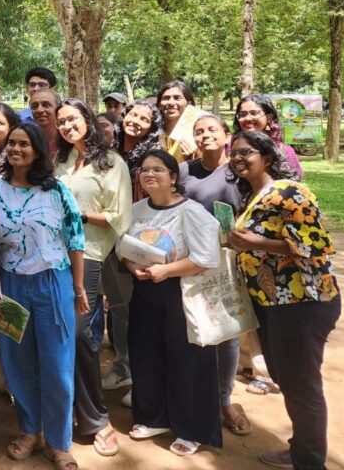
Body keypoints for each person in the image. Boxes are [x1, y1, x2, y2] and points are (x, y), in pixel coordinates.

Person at [227, 130, 340, 470]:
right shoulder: (254, 196)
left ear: (267, 157)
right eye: (234, 153)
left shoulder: (289, 191)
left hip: (302, 303)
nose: (237, 158)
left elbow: (316, 245)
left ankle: (308, 460)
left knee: (301, 384)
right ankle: (301, 449)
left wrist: (256, 244)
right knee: (286, 377)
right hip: (271, 303)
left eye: (245, 152)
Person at [0, 122, 87, 469]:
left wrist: (78, 287)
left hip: (53, 283)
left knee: (58, 367)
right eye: (12, 143)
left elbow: (75, 239)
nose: (16, 149)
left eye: (24, 144)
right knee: (17, 364)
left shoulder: (56, 190)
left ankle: (59, 441)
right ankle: (30, 429)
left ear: (37, 151)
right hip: (10, 285)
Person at [118, 149, 223, 457]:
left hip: (183, 293)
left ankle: (192, 429)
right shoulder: (136, 210)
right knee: (146, 354)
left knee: (188, 361)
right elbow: (124, 248)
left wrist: (166, 271)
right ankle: (153, 417)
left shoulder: (192, 212)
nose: (149, 174)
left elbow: (205, 258)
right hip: (145, 291)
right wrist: (132, 266)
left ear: (173, 176)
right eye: (144, 169)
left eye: (158, 169)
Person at [55, 100, 133, 456]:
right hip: (53, 256)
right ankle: (65, 411)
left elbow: (119, 216)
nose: (67, 125)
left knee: (83, 335)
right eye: (61, 121)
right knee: (59, 334)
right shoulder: (61, 161)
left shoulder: (111, 162)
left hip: (88, 255)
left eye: (72, 119)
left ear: (87, 119)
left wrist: (80, 216)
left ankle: (97, 419)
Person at [180, 114, 248, 437]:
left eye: (211, 130)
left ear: (227, 135)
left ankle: (224, 399)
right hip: (188, 261)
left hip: (227, 261)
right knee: (193, 327)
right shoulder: (184, 171)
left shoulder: (239, 172)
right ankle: (195, 395)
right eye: (199, 131)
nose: (205, 135)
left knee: (227, 332)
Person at [233, 94, 305, 180]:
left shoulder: (283, 150)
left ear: (268, 116)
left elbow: (296, 181)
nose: (248, 118)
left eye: (254, 113)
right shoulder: (229, 147)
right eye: (243, 114)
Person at [116, 100, 166, 200]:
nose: (135, 121)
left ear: (151, 128)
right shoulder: (110, 148)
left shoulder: (153, 158)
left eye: (144, 119)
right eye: (133, 115)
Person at [157, 80, 197, 161]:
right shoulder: (152, 132)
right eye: (166, 98)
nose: (171, 103)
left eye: (177, 98)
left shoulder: (197, 134)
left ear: (188, 103)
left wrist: (193, 158)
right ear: (159, 104)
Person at [29, 87, 61, 156]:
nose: (39, 110)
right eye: (34, 106)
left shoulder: (69, 140)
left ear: (58, 109)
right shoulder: (28, 141)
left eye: (46, 105)